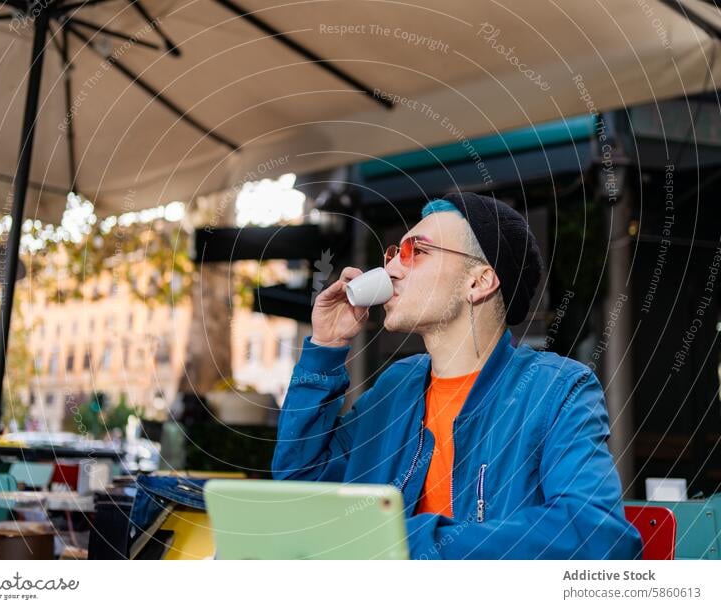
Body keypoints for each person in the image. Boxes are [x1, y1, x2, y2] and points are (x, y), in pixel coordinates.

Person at [271, 192, 642, 559]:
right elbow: (300, 488)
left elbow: (595, 533)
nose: (391, 269)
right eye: (392, 253)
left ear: (479, 282)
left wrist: (400, 543)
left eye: (416, 250)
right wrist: (325, 348)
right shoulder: (395, 387)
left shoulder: (556, 390)